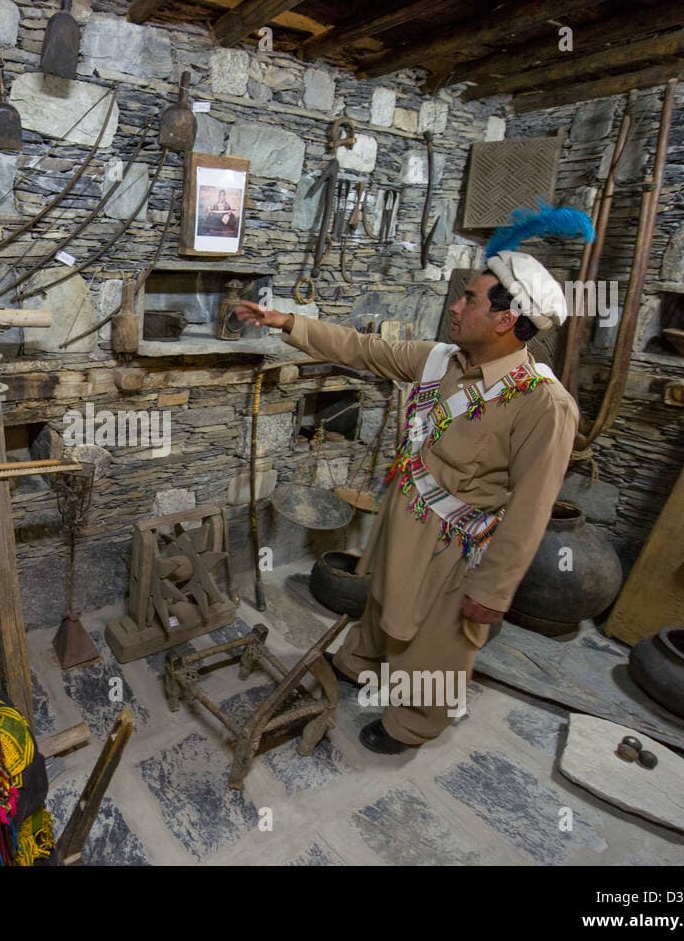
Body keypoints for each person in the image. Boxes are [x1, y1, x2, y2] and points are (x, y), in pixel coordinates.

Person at [235, 252, 578, 754]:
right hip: (408, 511)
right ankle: (359, 664)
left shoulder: (543, 404)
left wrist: (493, 590)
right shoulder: (441, 360)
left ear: (507, 320)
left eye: (470, 299)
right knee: (382, 599)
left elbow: (531, 509)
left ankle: (414, 721)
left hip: (455, 544)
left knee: (441, 639)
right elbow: (365, 349)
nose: (456, 307)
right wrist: (287, 321)